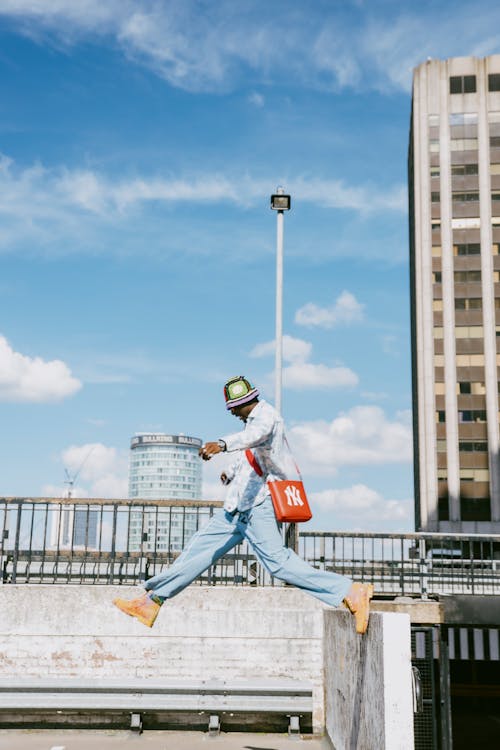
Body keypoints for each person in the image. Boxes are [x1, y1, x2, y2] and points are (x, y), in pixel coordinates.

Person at [113, 376, 373, 633]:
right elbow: (248, 455)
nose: (233, 414)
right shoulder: (253, 422)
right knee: (197, 552)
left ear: (243, 403)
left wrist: (222, 444)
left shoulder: (267, 417)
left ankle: (349, 590)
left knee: (278, 563)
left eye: (233, 408)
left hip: (259, 505)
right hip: (237, 507)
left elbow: (252, 437)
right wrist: (228, 471)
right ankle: (152, 601)